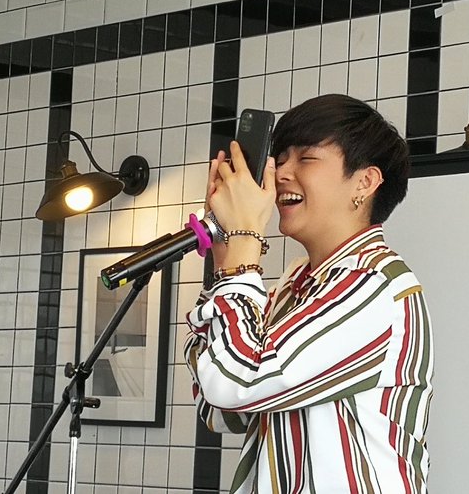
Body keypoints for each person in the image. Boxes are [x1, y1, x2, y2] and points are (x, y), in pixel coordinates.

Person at [184, 94, 433, 494]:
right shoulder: (294, 282)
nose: (281, 172)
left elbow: (234, 382)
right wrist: (227, 256)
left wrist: (242, 251)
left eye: (306, 158)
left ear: (365, 182)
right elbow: (221, 410)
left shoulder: (374, 283)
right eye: (280, 158)